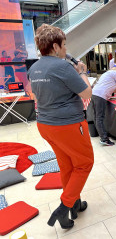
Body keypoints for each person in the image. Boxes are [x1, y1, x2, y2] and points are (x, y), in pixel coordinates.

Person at [28, 24, 94, 230]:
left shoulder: (34, 68)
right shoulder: (63, 67)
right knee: (84, 164)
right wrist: (82, 72)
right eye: (64, 45)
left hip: (45, 125)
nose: (66, 49)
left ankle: (74, 203)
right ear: (55, 46)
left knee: (67, 165)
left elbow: (36, 96)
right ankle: (64, 207)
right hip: (68, 125)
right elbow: (87, 94)